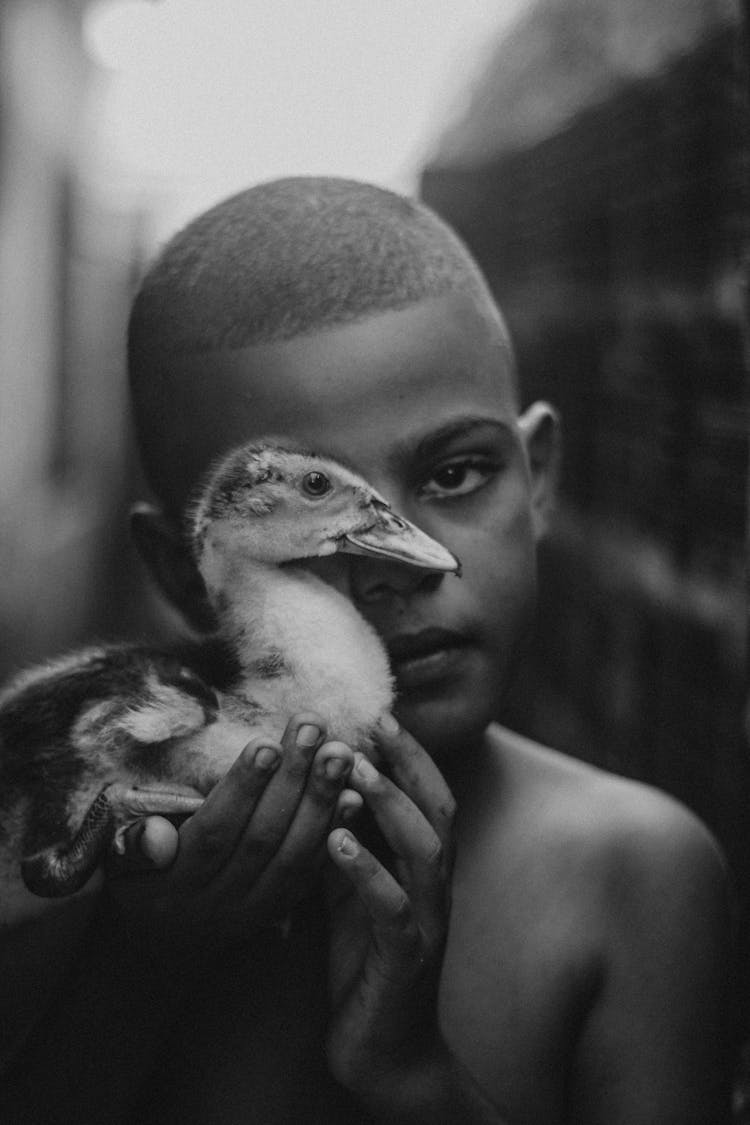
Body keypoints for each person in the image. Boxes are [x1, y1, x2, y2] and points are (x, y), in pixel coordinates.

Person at [0, 177, 734, 1124]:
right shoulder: (68, 851)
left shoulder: (633, 877)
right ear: (185, 573)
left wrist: (412, 1074)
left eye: (457, 471)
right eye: (307, 513)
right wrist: (142, 967)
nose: (399, 574)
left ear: (539, 477)